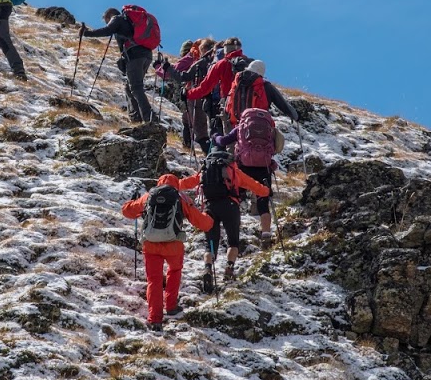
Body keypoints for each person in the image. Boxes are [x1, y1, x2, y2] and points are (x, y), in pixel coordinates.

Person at [214, 59, 298, 249]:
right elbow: (282, 105)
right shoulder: (265, 87)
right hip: (263, 163)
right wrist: (294, 115)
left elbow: (224, 140)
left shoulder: (238, 83)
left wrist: (216, 138)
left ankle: (231, 232)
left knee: (236, 195)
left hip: (242, 158)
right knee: (263, 198)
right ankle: (266, 234)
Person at [121, 174, 214, 331]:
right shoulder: (181, 198)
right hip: (173, 245)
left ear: (159, 183)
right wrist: (210, 217)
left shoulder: (148, 196)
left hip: (150, 245)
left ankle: (155, 319)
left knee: (154, 280)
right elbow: (204, 224)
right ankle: (171, 306)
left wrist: (131, 201)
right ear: (176, 184)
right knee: (174, 271)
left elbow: (127, 211)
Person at [179, 152, 269, 289]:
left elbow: (186, 183)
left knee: (210, 244)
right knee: (233, 241)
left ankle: (208, 268)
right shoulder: (233, 170)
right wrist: (266, 191)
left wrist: (168, 184)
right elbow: (253, 185)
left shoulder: (205, 171)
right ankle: (229, 268)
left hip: (210, 207)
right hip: (230, 206)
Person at [79, 8, 158, 124]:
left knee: (136, 88)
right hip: (146, 55)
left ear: (109, 16)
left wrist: (86, 33)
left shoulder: (117, 19)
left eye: (106, 20)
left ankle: (150, 118)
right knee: (129, 87)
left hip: (135, 55)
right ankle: (136, 118)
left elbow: (107, 30)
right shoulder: (128, 22)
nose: (107, 23)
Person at [158, 37, 217, 154]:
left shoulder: (200, 62)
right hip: (215, 99)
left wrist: (167, 68)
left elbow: (182, 76)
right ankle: (191, 146)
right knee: (196, 122)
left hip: (196, 96)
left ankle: (210, 158)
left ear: (203, 49)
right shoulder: (218, 62)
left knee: (200, 132)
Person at [186, 36, 247, 135]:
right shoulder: (249, 63)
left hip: (228, 104)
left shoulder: (221, 64)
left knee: (221, 136)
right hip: (247, 106)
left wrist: (188, 94)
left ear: (225, 49)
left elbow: (204, 88)